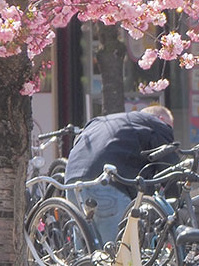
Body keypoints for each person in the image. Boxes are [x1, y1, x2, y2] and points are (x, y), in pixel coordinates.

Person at [64, 105, 175, 246]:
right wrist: (176, 203)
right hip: (107, 184)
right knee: (119, 254)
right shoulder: (157, 125)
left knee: (85, 251)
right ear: (161, 119)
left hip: (72, 179)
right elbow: (170, 171)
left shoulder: (99, 122)